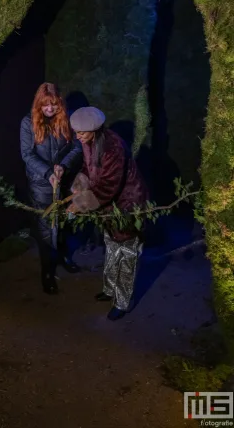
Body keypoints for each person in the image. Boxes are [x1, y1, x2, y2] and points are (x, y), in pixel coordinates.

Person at [67, 106, 148, 320]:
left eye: (81, 133)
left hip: (127, 205)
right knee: (111, 246)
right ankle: (110, 289)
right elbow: (87, 168)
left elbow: (109, 185)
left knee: (127, 253)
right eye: (76, 132)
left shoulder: (113, 147)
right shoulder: (90, 142)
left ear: (95, 129)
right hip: (108, 206)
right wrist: (79, 185)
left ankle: (123, 302)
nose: (78, 137)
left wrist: (81, 203)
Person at [20, 83, 83, 294]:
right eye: (45, 105)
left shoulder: (67, 119)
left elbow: (77, 147)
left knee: (64, 222)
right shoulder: (28, 123)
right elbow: (27, 155)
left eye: (54, 105)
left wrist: (63, 166)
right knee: (47, 228)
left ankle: (64, 257)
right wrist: (48, 174)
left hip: (64, 180)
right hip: (41, 185)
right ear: (39, 104)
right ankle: (47, 271)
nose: (50, 109)